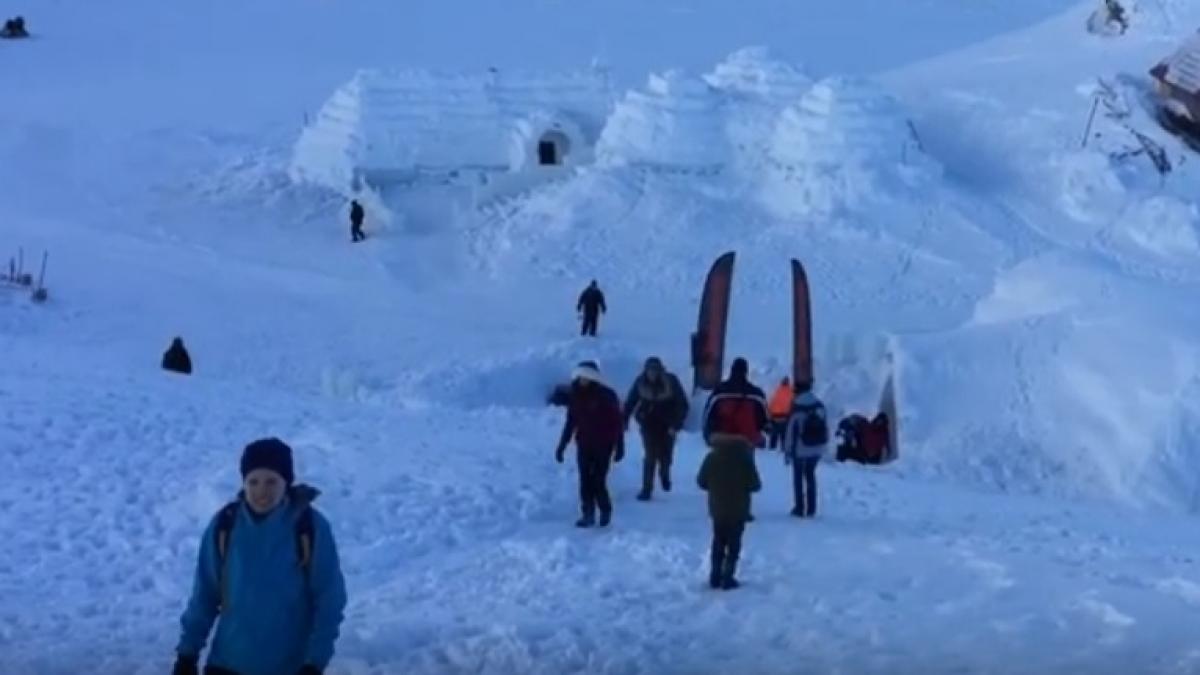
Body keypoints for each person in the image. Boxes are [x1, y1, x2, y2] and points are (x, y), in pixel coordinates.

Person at [173, 438, 347, 675]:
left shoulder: (309, 528)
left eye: (271, 482)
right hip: (227, 664)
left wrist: (315, 663)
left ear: (286, 482)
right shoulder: (225, 526)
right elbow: (205, 594)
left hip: (290, 668)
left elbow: (329, 599)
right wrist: (187, 654)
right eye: (252, 482)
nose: (261, 491)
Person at [555, 361, 625, 527]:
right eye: (581, 377)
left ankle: (605, 510)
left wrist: (620, 446)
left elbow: (617, 423)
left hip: (604, 445)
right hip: (584, 444)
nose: (583, 381)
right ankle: (588, 513)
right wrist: (562, 445)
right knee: (585, 480)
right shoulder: (575, 395)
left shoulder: (607, 396)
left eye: (587, 377)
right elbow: (571, 422)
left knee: (599, 480)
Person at [701, 357, 768, 521]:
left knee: (721, 473)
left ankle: (719, 507)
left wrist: (708, 435)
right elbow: (765, 418)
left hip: (722, 439)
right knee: (744, 476)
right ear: (746, 371)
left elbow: (708, 415)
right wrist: (760, 433)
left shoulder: (720, 392)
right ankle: (743, 511)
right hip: (746, 440)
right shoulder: (755, 393)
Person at [697, 431, 761, 590]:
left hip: (717, 508)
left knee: (718, 541)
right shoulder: (744, 459)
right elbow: (755, 485)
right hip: (738, 510)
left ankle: (715, 575)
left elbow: (701, 481)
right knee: (734, 544)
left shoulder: (711, 458)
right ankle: (728, 577)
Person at [623, 356, 689, 501]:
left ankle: (664, 474)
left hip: (668, 424)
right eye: (649, 371)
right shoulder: (640, 383)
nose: (652, 374)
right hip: (648, 424)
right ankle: (647, 489)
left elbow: (682, 404)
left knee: (666, 455)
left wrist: (676, 424)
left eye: (655, 370)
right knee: (650, 456)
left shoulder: (671, 382)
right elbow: (630, 402)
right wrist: (624, 419)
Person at [782, 381, 828, 518]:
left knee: (798, 478)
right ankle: (812, 508)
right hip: (815, 448)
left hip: (800, 450)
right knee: (810, 476)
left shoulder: (796, 408)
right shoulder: (819, 406)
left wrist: (787, 450)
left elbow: (790, 431)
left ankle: (799, 507)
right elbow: (825, 428)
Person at [767, 376, 793, 449]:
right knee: (784, 436)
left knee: (774, 436)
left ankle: (771, 449)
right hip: (786, 417)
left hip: (775, 417)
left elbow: (772, 403)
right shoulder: (791, 391)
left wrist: (769, 415)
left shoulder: (777, 391)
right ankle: (784, 449)